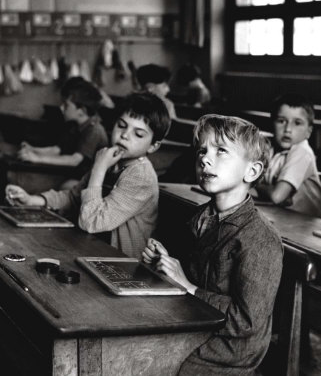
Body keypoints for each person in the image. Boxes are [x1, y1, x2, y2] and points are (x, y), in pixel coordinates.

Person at [143, 114, 283, 375]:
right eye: (202, 150)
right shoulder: (201, 218)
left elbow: (245, 322)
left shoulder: (260, 239)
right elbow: (199, 276)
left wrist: (188, 286)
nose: (204, 159)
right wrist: (164, 267)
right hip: (196, 326)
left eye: (221, 151)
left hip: (228, 354)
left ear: (251, 171)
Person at [6, 92, 171, 259]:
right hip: (92, 249)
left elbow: (92, 222)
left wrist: (99, 169)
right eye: (121, 125)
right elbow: (73, 196)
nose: (125, 135)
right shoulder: (111, 159)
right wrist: (32, 200)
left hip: (121, 263)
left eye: (139, 134)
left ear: (153, 146)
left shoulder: (141, 176)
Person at [17, 77, 108, 184]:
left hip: (86, 181)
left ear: (81, 111)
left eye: (66, 105)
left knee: (25, 181)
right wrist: (33, 149)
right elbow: (57, 150)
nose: (61, 108)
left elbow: (74, 160)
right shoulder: (75, 126)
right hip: (71, 174)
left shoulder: (94, 130)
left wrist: (37, 158)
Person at [252, 93, 321, 217]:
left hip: (308, 225)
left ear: (309, 132)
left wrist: (254, 183)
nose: (288, 128)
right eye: (281, 121)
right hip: (281, 216)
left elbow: (276, 196)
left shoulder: (302, 152)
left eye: (297, 123)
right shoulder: (269, 147)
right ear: (272, 123)